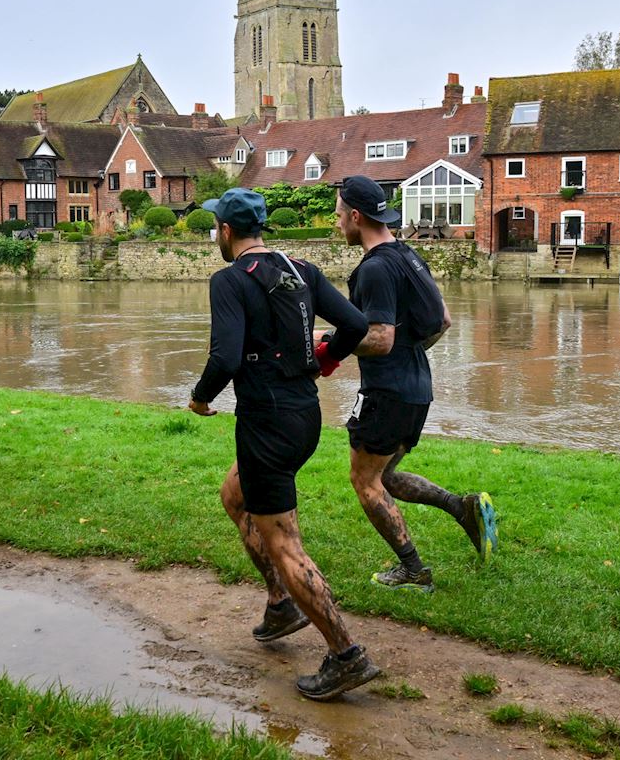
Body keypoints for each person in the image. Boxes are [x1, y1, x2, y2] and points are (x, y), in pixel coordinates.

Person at [188, 188, 382, 701]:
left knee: (285, 543)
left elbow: (225, 357)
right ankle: (280, 604)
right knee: (235, 496)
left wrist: (200, 398)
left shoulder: (228, 280)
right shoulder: (303, 271)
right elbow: (357, 325)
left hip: (266, 423)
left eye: (216, 228)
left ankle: (346, 654)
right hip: (304, 415)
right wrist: (322, 361)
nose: (216, 235)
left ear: (226, 232)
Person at [330, 175, 498, 592]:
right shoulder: (408, 255)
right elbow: (443, 319)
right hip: (416, 386)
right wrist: (410, 356)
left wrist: (328, 346)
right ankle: (462, 509)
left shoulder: (374, 269)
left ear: (355, 216)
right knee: (384, 475)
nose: (335, 224)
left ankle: (412, 569)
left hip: (386, 392)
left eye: (337, 215)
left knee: (364, 481)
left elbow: (380, 338)